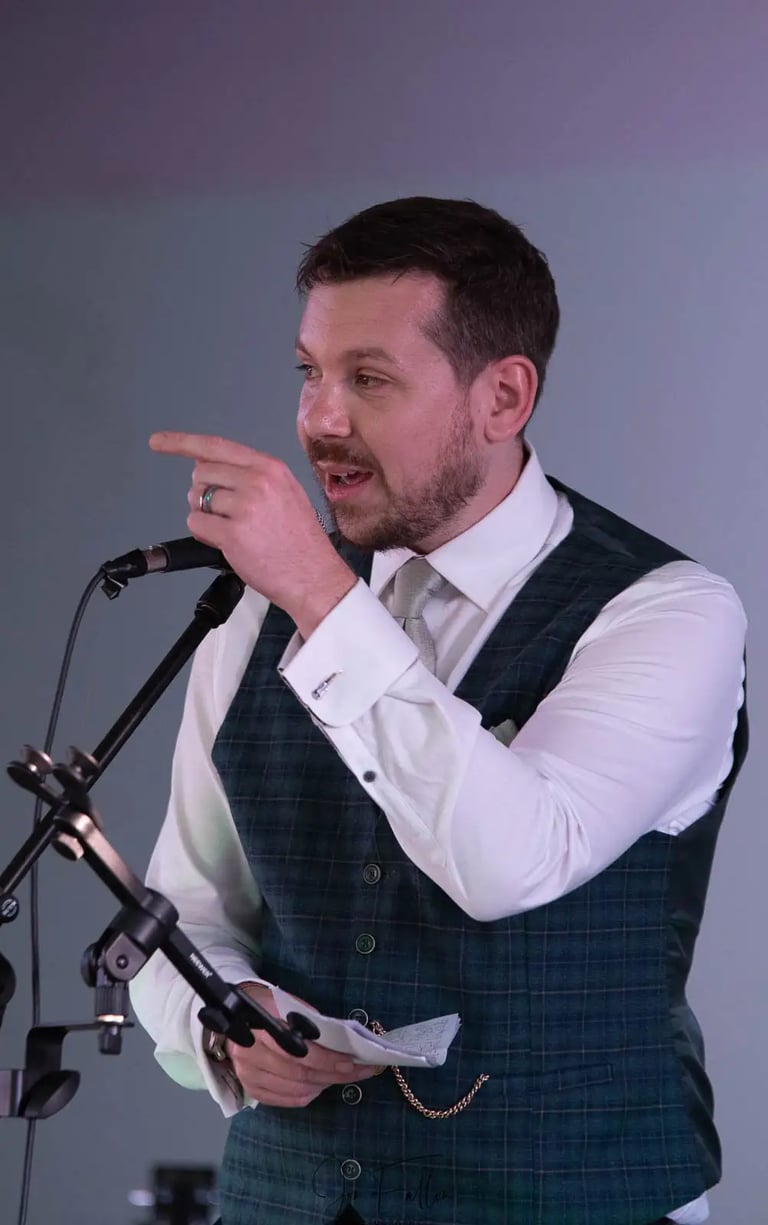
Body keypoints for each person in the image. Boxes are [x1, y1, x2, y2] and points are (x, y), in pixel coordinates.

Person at [130, 197, 748, 1225]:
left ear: (503, 397)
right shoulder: (253, 614)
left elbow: (513, 862)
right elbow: (182, 912)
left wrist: (320, 595)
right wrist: (221, 1019)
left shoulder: (669, 612)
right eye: (309, 372)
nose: (320, 419)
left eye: (368, 379)